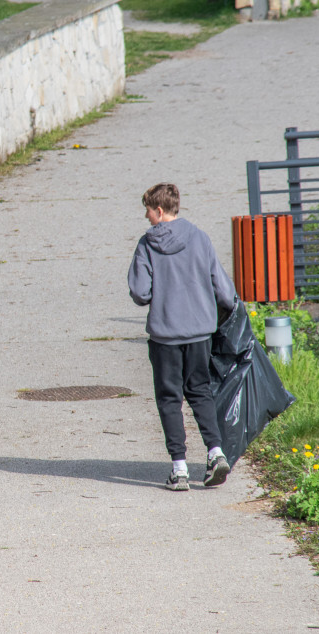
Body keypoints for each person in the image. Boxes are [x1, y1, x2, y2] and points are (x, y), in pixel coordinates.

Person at [127, 184, 236, 491]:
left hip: (166, 336)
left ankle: (179, 469)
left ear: (160, 211)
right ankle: (215, 453)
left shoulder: (147, 244)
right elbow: (224, 291)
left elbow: (140, 292)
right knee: (200, 391)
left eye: (148, 210)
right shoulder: (200, 238)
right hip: (200, 332)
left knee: (169, 399)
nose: (146, 217)